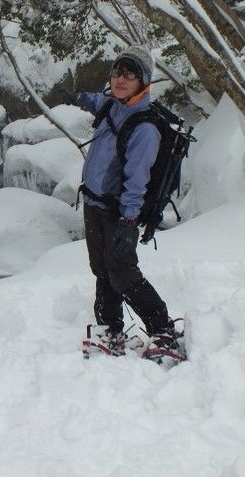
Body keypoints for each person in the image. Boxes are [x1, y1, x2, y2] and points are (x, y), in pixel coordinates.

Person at [65, 45, 179, 359]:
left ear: (144, 81)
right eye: (117, 71)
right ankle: (110, 329)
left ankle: (163, 329)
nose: (120, 79)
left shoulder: (144, 127)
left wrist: (129, 222)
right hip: (94, 203)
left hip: (119, 211)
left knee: (123, 272)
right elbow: (95, 99)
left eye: (130, 74)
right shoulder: (112, 105)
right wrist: (75, 96)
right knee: (101, 268)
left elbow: (137, 180)